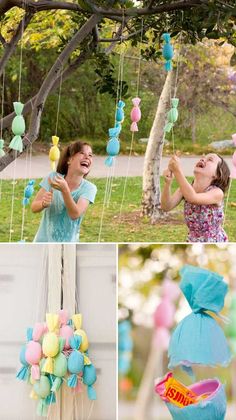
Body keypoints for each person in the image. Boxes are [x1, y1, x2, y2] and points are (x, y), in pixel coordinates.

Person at [32, 141, 97, 242]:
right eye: (82, 153)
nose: (87, 157)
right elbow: (34, 207)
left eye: (90, 155)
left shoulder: (89, 188)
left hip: (68, 246)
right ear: (69, 160)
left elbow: (75, 214)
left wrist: (65, 190)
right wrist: (43, 204)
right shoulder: (53, 177)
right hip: (42, 242)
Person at [161, 153, 230, 242]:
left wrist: (177, 171)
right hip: (193, 240)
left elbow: (193, 198)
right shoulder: (185, 189)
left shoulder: (217, 192)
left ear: (217, 174)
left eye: (210, 160)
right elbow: (166, 206)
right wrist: (168, 183)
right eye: (203, 158)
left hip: (213, 240)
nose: (202, 159)